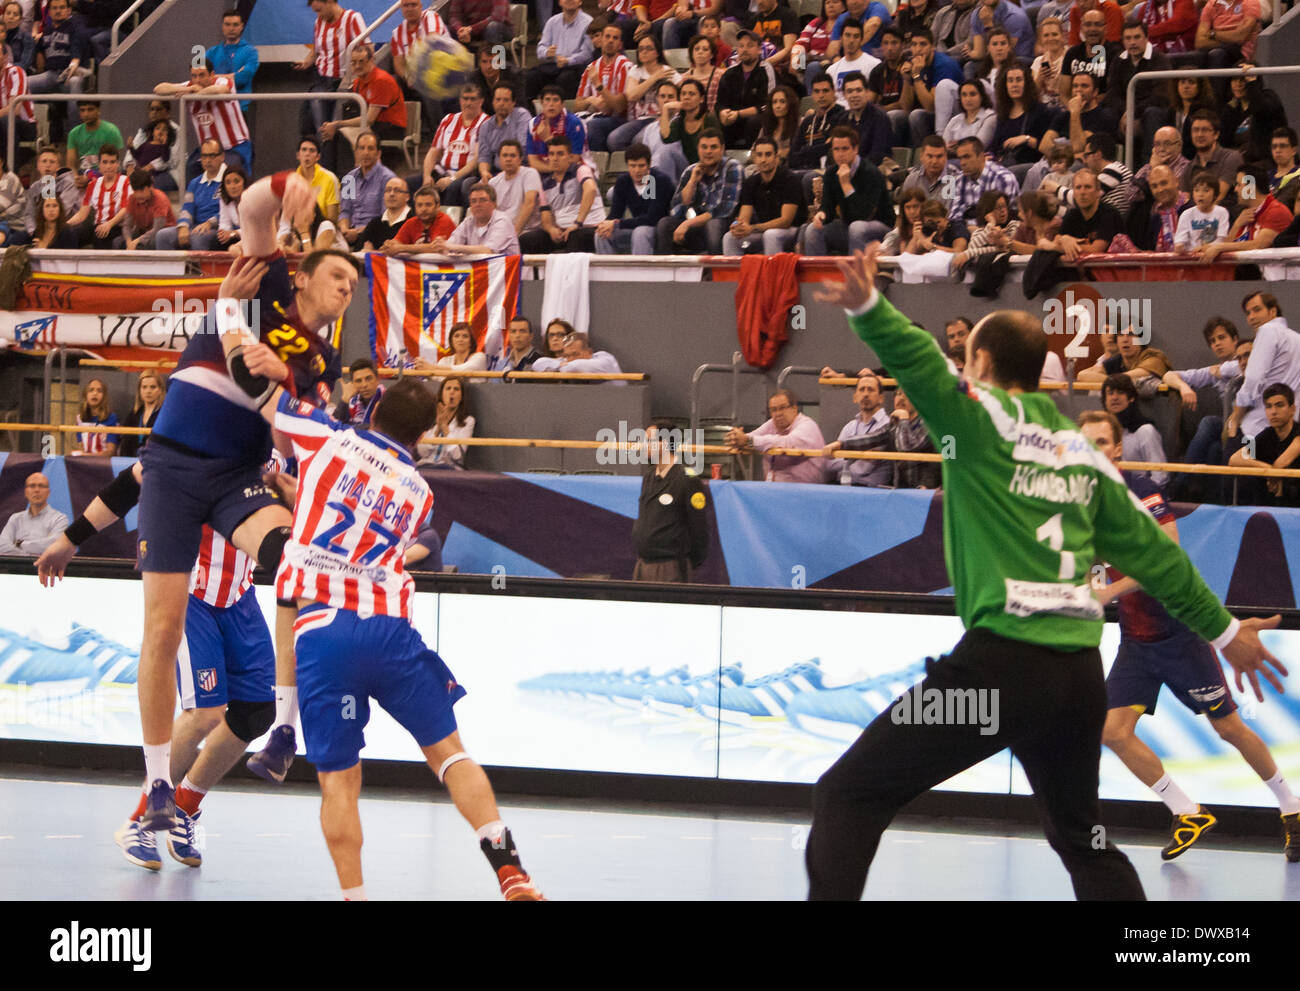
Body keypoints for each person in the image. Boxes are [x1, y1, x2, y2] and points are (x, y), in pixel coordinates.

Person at [805, 246, 1286, 902]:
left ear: (978, 364)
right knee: (1080, 836)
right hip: (1077, 677)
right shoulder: (1082, 453)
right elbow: (1159, 558)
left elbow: (917, 362)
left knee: (848, 792)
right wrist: (1227, 633)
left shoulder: (974, 421)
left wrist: (868, 305)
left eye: (966, 357)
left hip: (1002, 670)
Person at [36, 174, 357, 827]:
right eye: (336, 277)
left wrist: (237, 330)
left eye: (353, 284)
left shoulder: (319, 360)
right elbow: (257, 212)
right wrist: (290, 185)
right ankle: (158, 789)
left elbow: (279, 410)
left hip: (236, 474)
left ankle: (286, 726)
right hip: (176, 465)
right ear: (301, 279)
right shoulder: (265, 285)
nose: (345, 288)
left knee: (294, 560)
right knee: (161, 627)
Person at [245, 362, 544, 900]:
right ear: (427, 433)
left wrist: (264, 361)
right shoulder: (421, 492)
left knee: (340, 779)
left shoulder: (330, 439)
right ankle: (508, 868)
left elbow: (272, 408)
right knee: (450, 753)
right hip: (387, 628)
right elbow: (363, 528)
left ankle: (355, 896)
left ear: (373, 408)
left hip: (324, 632)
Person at [1082, 409, 1300, 862]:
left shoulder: (1143, 493)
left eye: (1101, 443)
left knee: (1228, 728)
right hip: (1135, 643)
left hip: (1179, 636)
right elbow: (1093, 564)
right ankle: (1187, 811)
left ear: (1117, 449)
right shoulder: (1080, 503)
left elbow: (1170, 559)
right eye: (1085, 445)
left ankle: (1292, 808)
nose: (1093, 453)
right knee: (1113, 732)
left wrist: (1106, 591)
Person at [113, 453, 289, 873]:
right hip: (192, 593)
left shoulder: (272, 446)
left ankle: (186, 806)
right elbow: (137, 480)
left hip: (239, 595)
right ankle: (138, 822)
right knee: (204, 714)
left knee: (259, 712)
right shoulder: (199, 441)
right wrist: (74, 535)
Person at [632, 419, 709, 582]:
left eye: (649, 441)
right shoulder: (649, 476)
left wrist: (684, 563)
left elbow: (699, 529)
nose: (643, 445)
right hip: (642, 564)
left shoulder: (688, 479)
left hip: (670, 567)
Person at [1227, 292, 1300, 462]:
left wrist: (1236, 418)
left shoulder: (1267, 331)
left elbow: (1253, 378)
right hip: (1289, 430)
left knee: (1236, 471)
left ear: (1273, 311)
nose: (1251, 317)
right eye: (1248, 313)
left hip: (1255, 430)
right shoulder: (1297, 338)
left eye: (1256, 310)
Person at [155, 59, 252, 182]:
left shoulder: (222, 81)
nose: (198, 80)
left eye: (202, 75)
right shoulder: (190, 87)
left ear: (212, 75)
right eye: (194, 76)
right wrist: (189, 89)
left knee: (232, 178)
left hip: (235, 146)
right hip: (206, 150)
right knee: (190, 172)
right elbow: (158, 89)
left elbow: (222, 90)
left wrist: (197, 92)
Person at [804, 126, 892, 256]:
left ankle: (855, 274)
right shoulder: (831, 173)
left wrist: (846, 185)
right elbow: (828, 207)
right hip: (849, 226)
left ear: (855, 149)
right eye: (836, 149)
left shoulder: (871, 172)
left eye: (845, 149)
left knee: (857, 227)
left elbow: (864, 214)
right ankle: (817, 276)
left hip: (880, 228)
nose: (840, 154)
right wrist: (822, 214)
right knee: (813, 229)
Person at [320, 44, 408, 174]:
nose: (357, 66)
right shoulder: (357, 83)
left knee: (341, 135)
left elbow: (369, 120)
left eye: (361, 61)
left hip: (390, 128)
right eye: (353, 62)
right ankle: (332, 181)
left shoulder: (381, 80)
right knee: (330, 136)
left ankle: (349, 182)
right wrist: (333, 127)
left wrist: (337, 124)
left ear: (372, 61)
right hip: (373, 126)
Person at [655, 127, 740, 254]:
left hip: (725, 225)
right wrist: (692, 182)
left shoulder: (732, 167)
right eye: (704, 147)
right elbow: (675, 210)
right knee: (665, 224)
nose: (708, 151)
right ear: (698, 149)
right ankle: (667, 272)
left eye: (713, 147)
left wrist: (688, 224)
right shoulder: (691, 171)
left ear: (722, 149)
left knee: (714, 224)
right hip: (696, 227)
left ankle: (714, 273)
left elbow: (724, 210)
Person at [294, 0, 365, 141]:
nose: (318, 14)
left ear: (331, 2)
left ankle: (330, 160)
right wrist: (306, 62)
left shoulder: (352, 19)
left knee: (334, 129)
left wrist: (356, 74)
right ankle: (322, 159)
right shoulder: (319, 22)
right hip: (322, 81)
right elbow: (316, 50)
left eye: (319, 10)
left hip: (344, 82)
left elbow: (366, 50)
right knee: (319, 129)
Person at [519, 136, 604, 253]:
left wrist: (577, 223)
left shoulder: (581, 170)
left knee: (576, 238)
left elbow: (590, 190)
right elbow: (545, 214)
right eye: (551, 154)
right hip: (563, 231)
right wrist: (551, 229)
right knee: (527, 240)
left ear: (569, 157)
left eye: (560, 154)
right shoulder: (545, 184)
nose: (555, 158)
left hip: (589, 227)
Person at [722, 136, 801, 255]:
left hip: (792, 232)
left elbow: (786, 221)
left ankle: (772, 274)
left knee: (771, 235)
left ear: (776, 156)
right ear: (754, 158)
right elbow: (744, 218)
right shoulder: (751, 182)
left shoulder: (790, 179)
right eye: (759, 155)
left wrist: (753, 228)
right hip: (763, 231)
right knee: (729, 238)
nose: (763, 159)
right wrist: (739, 227)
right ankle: (736, 274)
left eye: (768, 155)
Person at [726, 390, 827, 483]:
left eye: (782, 408)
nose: (778, 414)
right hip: (773, 489)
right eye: (773, 410)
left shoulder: (807, 425)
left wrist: (748, 440)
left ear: (794, 408)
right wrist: (736, 437)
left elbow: (787, 442)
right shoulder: (772, 423)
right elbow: (751, 436)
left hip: (804, 491)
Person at [1198, 164, 1293, 262]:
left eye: (1239, 185)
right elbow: (1230, 244)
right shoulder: (1245, 213)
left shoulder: (1277, 211)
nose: (1235, 190)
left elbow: (1259, 244)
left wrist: (1219, 247)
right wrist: (1236, 226)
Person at [27, 0, 90, 139]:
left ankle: (74, 136)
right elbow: (40, 56)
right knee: (25, 84)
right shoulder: (47, 31)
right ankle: (31, 131)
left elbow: (76, 53)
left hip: (73, 73)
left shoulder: (75, 28)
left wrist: (72, 66)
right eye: (54, 8)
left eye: (62, 7)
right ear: (49, 12)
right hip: (51, 75)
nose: (58, 11)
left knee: (74, 83)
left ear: (68, 10)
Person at [1231, 383, 1300, 508]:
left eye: (1279, 405)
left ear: (1292, 409)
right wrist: (1267, 468)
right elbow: (1235, 459)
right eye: (1269, 407)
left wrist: (1274, 472)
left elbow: (1282, 462)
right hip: (1272, 508)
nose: (1273, 412)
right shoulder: (1267, 434)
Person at [596, 140, 671, 255]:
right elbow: (615, 214)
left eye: (641, 166)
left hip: (657, 230)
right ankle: (609, 272)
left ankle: (641, 272)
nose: (637, 171)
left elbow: (652, 218)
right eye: (632, 166)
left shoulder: (659, 181)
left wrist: (617, 224)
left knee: (640, 232)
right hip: (634, 228)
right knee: (601, 234)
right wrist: (606, 224)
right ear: (627, 165)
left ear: (649, 165)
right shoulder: (624, 182)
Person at [421, 82, 487, 208]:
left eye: (473, 99)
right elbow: (433, 152)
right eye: (465, 99)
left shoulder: (485, 123)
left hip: (466, 175)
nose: (468, 103)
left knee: (452, 187)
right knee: (412, 183)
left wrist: (452, 178)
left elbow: (477, 160)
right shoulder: (448, 119)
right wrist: (427, 175)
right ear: (460, 100)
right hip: (442, 172)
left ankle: (447, 225)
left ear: (481, 101)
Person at [156, 139, 228, 252]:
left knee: (198, 238)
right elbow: (186, 209)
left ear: (222, 156)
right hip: (195, 226)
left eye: (212, 155)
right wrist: (183, 226)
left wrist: (210, 223)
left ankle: (198, 270)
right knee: (162, 235)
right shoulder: (194, 183)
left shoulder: (229, 179)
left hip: (219, 228)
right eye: (204, 156)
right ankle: (169, 270)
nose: (208, 160)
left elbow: (230, 210)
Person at [608, 33, 674, 153]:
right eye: (641, 49)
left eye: (648, 48)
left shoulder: (667, 72)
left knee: (638, 141)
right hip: (641, 119)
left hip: (661, 118)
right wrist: (653, 78)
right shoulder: (636, 70)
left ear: (657, 52)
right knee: (614, 139)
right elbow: (631, 96)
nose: (644, 52)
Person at [1101, 373, 1170, 486]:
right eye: (1110, 393)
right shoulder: (1100, 432)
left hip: (1140, 494)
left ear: (1131, 398)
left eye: (1120, 392)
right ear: (1104, 400)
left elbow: (1160, 476)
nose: (1114, 397)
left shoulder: (1145, 431)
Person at [824, 372, 892, 486]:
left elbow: (863, 469)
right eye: (862, 389)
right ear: (855, 397)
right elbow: (830, 464)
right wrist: (856, 457)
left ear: (881, 398)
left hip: (873, 492)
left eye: (870, 390)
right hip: (844, 487)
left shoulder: (887, 424)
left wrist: (845, 459)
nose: (865, 394)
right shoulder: (850, 426)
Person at [575, 22, 634, 153]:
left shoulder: (625, 66)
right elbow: (577, 105)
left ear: (620, 44)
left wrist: (599, 86)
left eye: (615, 38)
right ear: (601, 40)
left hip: (620, 119)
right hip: (597, 115)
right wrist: (590, 100)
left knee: (592, 126)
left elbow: (619, 107)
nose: (610, 41)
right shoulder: (591, 67)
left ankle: (598, 169)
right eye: (607, 36)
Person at [654, 75, 718, 185]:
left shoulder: (709, 118)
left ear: (701, 99)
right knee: (664, 152)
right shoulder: (678, 121)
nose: (686, 97)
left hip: (707, 166)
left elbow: (716, 148)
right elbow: (666, 138)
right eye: (683, 94)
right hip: (684, 168)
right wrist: (665, 109)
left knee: (665, 153)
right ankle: (668, 193)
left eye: (691, 94)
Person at [337, 132, 397, 247]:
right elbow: (345, 211)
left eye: (370, 148)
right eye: (361, 148)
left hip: (375, 233)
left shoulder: (388, 179)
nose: (365, 153)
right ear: (356, 152)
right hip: (350, 232)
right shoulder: (349, 178)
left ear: (378, 153)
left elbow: (386, 218)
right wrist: (344, 229)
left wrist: (358, 232)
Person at [904, 27, 962, 147]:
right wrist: (906, 79)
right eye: (914, 45)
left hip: (956, 114)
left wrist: (916, 76)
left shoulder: (943, 64)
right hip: (935, 114)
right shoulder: (913, 64)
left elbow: (931, 106)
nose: (918, 49)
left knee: (917, 116)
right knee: (895, 116)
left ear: (932, 46)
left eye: (923, 44)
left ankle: (929, 154)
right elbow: (906, 107)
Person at [714, 30, 771, 149]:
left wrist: (738, 114)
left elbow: (766, 105)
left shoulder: (766, 70)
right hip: (733, 118)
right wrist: (723, 112)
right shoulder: (730, 73)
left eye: (750, 45)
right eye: (741, 46)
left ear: (759, 49)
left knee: (754, 122)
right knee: (716, 120)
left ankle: (753, 157)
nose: (744, 49)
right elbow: (720, 102)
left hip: (756, 118)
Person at [945, 135, 1019, 228]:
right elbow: (954, 217)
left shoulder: (1003, 179)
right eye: (960, 158)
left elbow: (1002, 220)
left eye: (967, 157)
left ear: (981, 156)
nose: (962, 163)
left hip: (997, 234)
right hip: (966, 233)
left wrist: (972, 229)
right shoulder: (959, 179)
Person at [527, 0, 594, 101]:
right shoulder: (552, 21)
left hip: (575, 67)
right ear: (559, 2)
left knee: (565, 78)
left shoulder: (588, 22)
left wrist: (568, 60)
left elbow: (587, 54)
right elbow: (540, 48)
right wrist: (547, 52)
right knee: (531, 76)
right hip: (553, 65)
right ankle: (531, 112)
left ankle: (565, 112)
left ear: (580, 1)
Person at [206, 7, 259, 136]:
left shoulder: (251, 51)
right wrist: (232, 75)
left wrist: (216, 77)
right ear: (222, 26)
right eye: (227, 24)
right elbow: (200, 79)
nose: (231, 28)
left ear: (241, 26)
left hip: (240, 109)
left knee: (240, 151)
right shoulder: (211, 52)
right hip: (215, 108)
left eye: (235, 25)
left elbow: (242, 79)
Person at [475, 83, 532, 196]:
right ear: (493, 102)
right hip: (495, 173)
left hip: (519, 170)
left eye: (506, 100)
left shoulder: (522, 116)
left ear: (513, 102)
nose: (501, 103)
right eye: (498, 99)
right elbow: (484, 156)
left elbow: (522, 149)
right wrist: (485, 172)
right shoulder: (486, 126)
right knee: (469, 185)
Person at [66, 144, 127, 249]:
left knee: (100, 235)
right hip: (98, 226)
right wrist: (63, 225)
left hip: (117, 226)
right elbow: (82, 215)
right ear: (99, 165)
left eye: (112, 162)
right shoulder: (93, 185)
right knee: (68, 234)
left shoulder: (125, 181)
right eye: (105, 162)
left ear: (118, 164)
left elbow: (125, 209)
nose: (108, 166)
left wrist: (109, 224)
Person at [435, 182, 521, 255]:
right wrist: (441, 246)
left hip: (509, 272)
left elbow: (488, 251)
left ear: (494, 204)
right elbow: (449, 246)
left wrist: (450, 246)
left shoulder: (503, 221)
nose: (478, 204)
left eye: (483, 200)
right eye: (473, 201)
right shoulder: (468, 221)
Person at [526, 84, 589, 179]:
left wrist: (548, 140)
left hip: (573, 172)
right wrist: (552, 170)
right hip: (544, 173)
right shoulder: (533, 124)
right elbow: (533, 162)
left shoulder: (574, 123)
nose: (551, 104)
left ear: (562, 104)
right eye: (547, 100)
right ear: (541, 102)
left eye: (555, 100)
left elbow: (574, 159)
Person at [1179, 110, 1243, 202]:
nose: (1199, 135)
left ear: (1216, 134)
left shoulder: (1231, 157)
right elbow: (1184, 202)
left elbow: (1218, 196)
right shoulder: (1188, 169)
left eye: (1205, 130)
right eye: (1195, 130)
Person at [788, 75, 845, 172]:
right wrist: (819, 147)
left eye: (825, 91)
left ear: (833, 92)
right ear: (812, 95)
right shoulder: (808, 121)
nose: (821, 95)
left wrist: (805, 150)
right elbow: (792, 156)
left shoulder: (842, 117)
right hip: (801, 169)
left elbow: (830, 149)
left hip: (825, 170)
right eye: (817, 91)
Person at [0, 473, 67, 555]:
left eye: (41, 486)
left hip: (45, 567)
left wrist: (19, 543)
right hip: (16, 566)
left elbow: (54, 546)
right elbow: (2, 545)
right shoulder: (15, 519)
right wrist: (27, 556)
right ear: (25, 492)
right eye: (32, 486)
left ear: (48, 492)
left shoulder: (59, 519)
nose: (37, 490)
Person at [866, 26, 913, 145]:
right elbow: (869, 102)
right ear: (881, 46)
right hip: (883, 114)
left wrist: (882, 109)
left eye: (894, 43)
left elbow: (904, 105)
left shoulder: (908, 66)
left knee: (892, 115)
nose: (889, 48)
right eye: (885, 43)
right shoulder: (877, 71)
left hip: (906, 116)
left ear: (903, 45)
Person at [417, 377, 476, 469]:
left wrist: (444, 427)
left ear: (461, 397)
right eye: (448, 388)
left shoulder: (468, 421)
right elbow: (422, 452)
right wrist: (437, 429)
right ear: (441, 394)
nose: (451, 392)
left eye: (456, 389)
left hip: (449, 468)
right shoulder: (431, 417)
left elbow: (457, 455)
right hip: (425, 465)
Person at [488, 139, 542, 238]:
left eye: (512, 155)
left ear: (520, 159)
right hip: (502, 231)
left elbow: (529, 203)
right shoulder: (493, 182)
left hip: (526, 230)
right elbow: (491, 211)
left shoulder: (530, 173)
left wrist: (514, 233)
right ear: (499, 159)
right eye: (505, 155)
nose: (508, 159)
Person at [838, 72, 893, 168]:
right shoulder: (843, 119)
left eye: (859, 90)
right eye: (850, 91)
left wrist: (852, 167)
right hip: (847, 168)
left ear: (867, 92)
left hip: (873, 171)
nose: (854, 95)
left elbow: (877, 156)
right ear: (844, 95)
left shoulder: (879, 118)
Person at [383, 184, 457, 253]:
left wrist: (401, 248)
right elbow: (396, 243)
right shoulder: (411, 222)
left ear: (437, 206)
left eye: (428, 205)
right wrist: (389, 245)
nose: (423, 209)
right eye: (419, 205)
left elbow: (436, 248)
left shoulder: (444, 220)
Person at [65, 100, 123, 188]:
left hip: (107, 177)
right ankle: (48, 199)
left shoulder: (111, 131)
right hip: (81, 177)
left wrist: (90, 178)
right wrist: (76, 178)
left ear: (98, 110)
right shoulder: (74, 133)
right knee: (55, 178)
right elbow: (71, 166)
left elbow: (115, 166)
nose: (86, 114)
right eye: (82, 110)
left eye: (90, 109)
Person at [824, 19, 879, 103]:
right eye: (847, 35)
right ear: (841, 38)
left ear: (861, 39)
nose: (851, 41)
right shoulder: (831, 70)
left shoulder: (874, 65)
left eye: (856, 36)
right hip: (837, 114)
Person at [121, 168, 175, 251]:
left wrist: (137, 241)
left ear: (150, 187)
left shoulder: (160, 199)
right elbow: (127, 225)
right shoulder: (131, 199)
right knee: (118, 242)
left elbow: (157, 229)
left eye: (142, 190)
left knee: (150, 242)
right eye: (135, 190)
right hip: (143, 232)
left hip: (162, 233)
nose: (138, 195)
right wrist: (129, 242)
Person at [1195, 0, 1260, 68]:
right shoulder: (1211, 4)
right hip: (1218, 48)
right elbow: (1199, 42)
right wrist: (1226, 41)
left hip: (1240, 51)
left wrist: (1212, 33)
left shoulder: (1250, 2)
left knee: (1217, 55)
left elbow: (1239, 37)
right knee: (1192, 57)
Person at [117, 371, 165, 458]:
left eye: (153, 387)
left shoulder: (165, 415)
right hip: (130, 462)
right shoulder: (133, 414)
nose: (148, 391)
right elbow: (125, 444)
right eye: (144, 387)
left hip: (155, 463)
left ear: (160, 390)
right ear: (139, 390)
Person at [532, 331, 623, 376]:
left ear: (589, 352)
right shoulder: (566, 361)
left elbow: (574, 366)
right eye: (567, 355)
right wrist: (560, 363)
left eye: (575, 354)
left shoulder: (605, 358)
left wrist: (560, 366)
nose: (571, 359)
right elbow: (538, 364)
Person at [943, 80, 995, 157]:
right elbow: (943, 147)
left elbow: (978, 147)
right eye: (964, 95)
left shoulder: (990, 117)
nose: (968, 99)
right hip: (951, 158)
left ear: (981, 97)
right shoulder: (955, 120)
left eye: (972, 94)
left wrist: (956, 145)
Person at [72, 376, 118, 456]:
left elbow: (111, 451)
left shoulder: (111, 418)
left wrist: (88, 456)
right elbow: (82, 448)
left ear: (104, 396)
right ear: (85, 395)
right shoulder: (80, 419)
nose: (95, 393)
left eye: (99, 391)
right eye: (91, 390)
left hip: (103, 464)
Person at [335, 357, 385, 427]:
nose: (364, 385)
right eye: (358, 381)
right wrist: (345, 398)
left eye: (368, 379)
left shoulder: (387, 401)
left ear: (378, 379)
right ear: (352, 383)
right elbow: (334, 427)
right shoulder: (352, 401)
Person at [448, 0, 513, 49]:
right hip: (471, 30)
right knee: (445, 29)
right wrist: (460, 29)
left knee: (493, 27)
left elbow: (498, 17)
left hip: (501, 29)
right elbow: (454, 16)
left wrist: (471, 29)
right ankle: (460, 65)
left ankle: (496, 65)